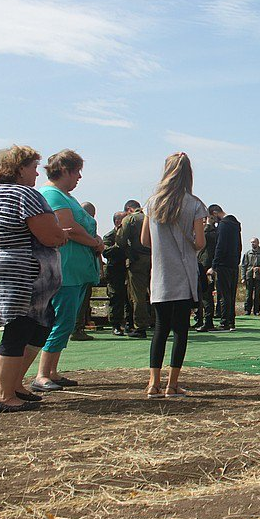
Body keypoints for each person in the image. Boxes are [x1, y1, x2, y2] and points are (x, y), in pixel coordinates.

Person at [0, 145, 68, 412]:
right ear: (18, 169)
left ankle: (14, 386)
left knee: (37, 325)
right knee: (19, 329)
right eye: (32, 167)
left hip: (1, 265)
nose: (36, 174)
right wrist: (61, 235)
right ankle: (5, 395)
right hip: (23, 270)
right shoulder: (24, 195)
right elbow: (49, 236)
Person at [32, 149, 104, 392]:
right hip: (65, 271)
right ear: (64, 170)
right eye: (77, 171)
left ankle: (52, 370)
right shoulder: (52, 195)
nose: (79, 177)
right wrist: (94, 242)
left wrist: (95, 240)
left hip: (75, 270)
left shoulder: (66, 196)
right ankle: (42, 374)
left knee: (66, 320)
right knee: (61, 320)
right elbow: (68, 227)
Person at [141, 153, 207, 397]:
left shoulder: (152, 202)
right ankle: (172, 384)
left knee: (160, 329)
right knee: (181, 329)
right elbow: (199, 242)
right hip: (183, 274)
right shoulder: (194, 204)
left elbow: (144, 239)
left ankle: (153, 383)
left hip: (160, 275)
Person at [117, 199, 151, 338]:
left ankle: (140, 327)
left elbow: (120, 241)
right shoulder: (152, 217)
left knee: (138, 295)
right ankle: (159, 322)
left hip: (137, 261)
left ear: (129, 209)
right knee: (156, 292)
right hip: (155, 260)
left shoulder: (130, 219)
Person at [207, 204, 241, 331]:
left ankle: (224, 322)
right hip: (233, 264)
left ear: (215, 213)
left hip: (223, 264)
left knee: (223, 294)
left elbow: (219, 246)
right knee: (231, 294)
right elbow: (239, 245)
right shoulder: (236, 224)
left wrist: (214, 266)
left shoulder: (223, 225)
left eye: (212, 217)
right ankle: (231, 321)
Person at [71, 200, 100, 341]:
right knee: (82, 300)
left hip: (72, 268)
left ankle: (74, 327)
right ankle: (77, 329)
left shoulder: (75, 223)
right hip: (84, 268)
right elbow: (96, 247)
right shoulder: (89, 225)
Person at [102, 211, 132, 335]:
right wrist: (119, 246)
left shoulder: (130, 236)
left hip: (128, 270)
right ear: (117, 222)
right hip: (115, 271)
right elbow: (105, 252)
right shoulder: (110, 236)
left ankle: (129, 324)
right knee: (116, 298)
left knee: (129, 298)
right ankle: (115, 325)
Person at [194, 215, 218, 331]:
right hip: (203, 265)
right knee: (201, 295)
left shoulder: (209, 233)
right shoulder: (213, 232)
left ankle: (207, 321)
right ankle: (200, 320)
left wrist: (207, 224)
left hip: (205, 266)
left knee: (206, 295)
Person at [241, 237, 260, 316]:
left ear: (258, 243)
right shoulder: (247, 253)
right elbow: (243, 266)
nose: (252, 244)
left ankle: (256, 311)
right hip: (249, 275)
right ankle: (247, 310)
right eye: (251, 242)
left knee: (257, 294)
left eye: (254, 242)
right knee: (248, 294)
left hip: (259, 276)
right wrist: (243, 277)